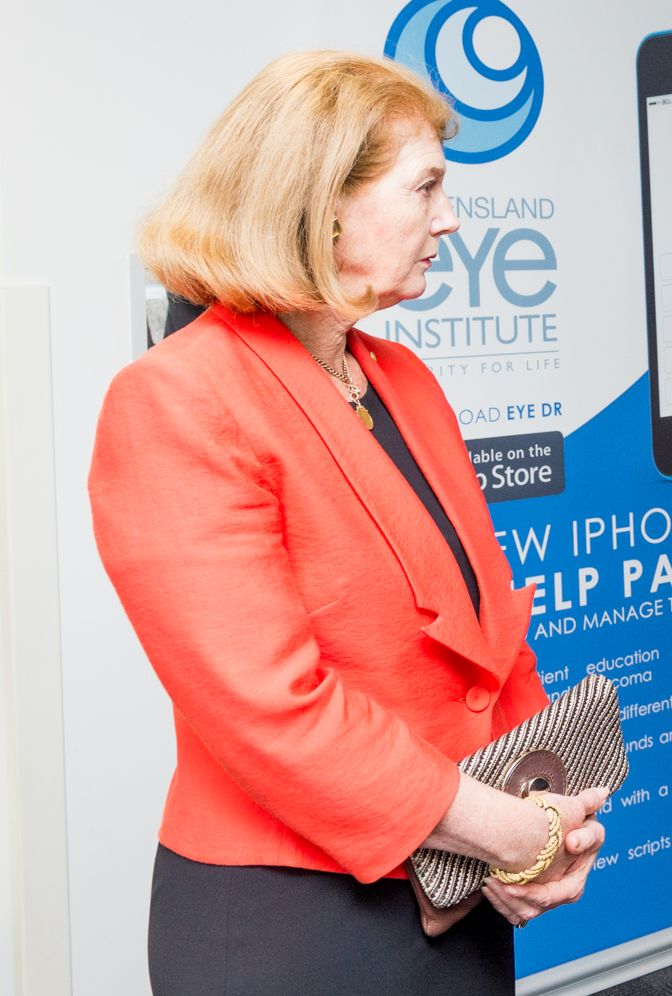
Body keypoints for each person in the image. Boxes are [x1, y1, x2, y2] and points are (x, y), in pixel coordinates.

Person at [90, 51, 607, 996]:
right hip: (295, 915)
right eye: (426, 187)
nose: (450, 217)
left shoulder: (403, 379)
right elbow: (269, 706)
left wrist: (542, 805)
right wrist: (498, 830)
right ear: (325, 204)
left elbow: (487, 619)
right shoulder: (174, 398)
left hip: (454, 886)